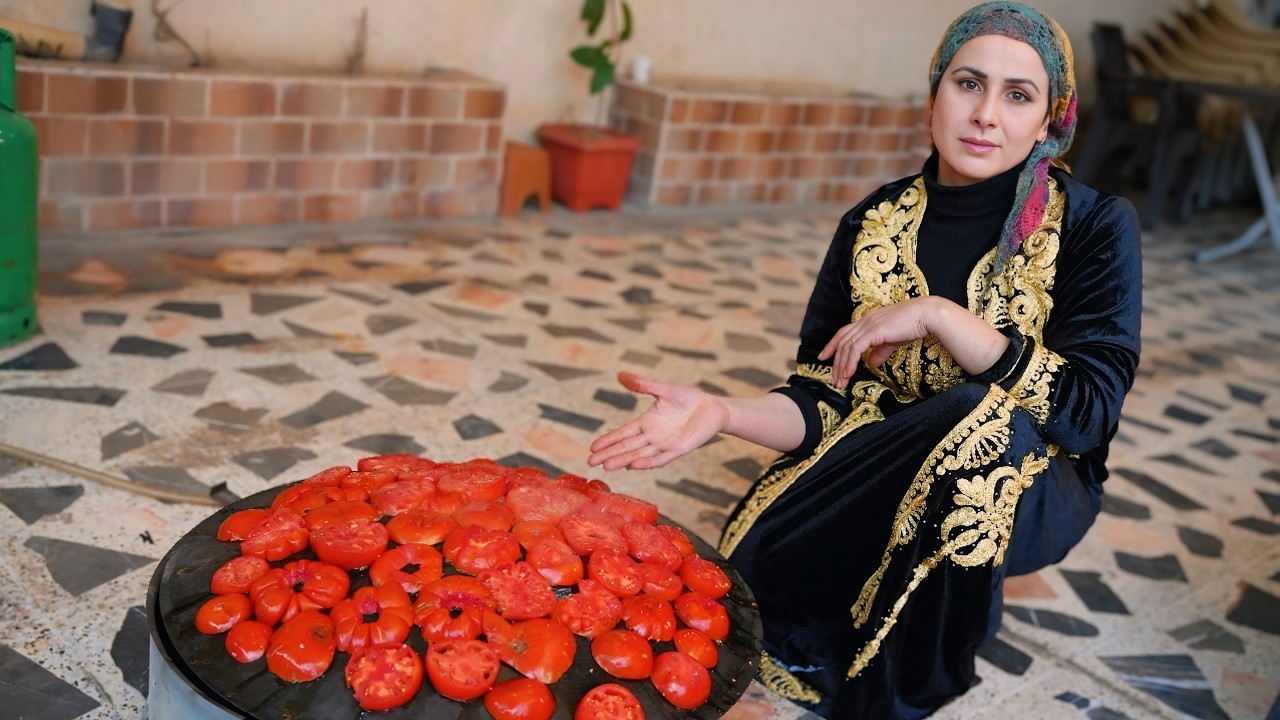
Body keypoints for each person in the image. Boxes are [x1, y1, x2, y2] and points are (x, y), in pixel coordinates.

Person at [587, 3, 1143, 718]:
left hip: (1033, 480)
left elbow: (1088, 414)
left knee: (981, 420)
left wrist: (941, 317)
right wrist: (722, 412)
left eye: (1017, 95)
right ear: (934, 96)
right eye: (968, 84)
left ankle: (896, 687)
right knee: (752, 572)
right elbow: (824, 396)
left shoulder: (1094, 225)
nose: (985, 115)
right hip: (889, 455)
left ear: (1047, 122)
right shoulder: (874, 222)